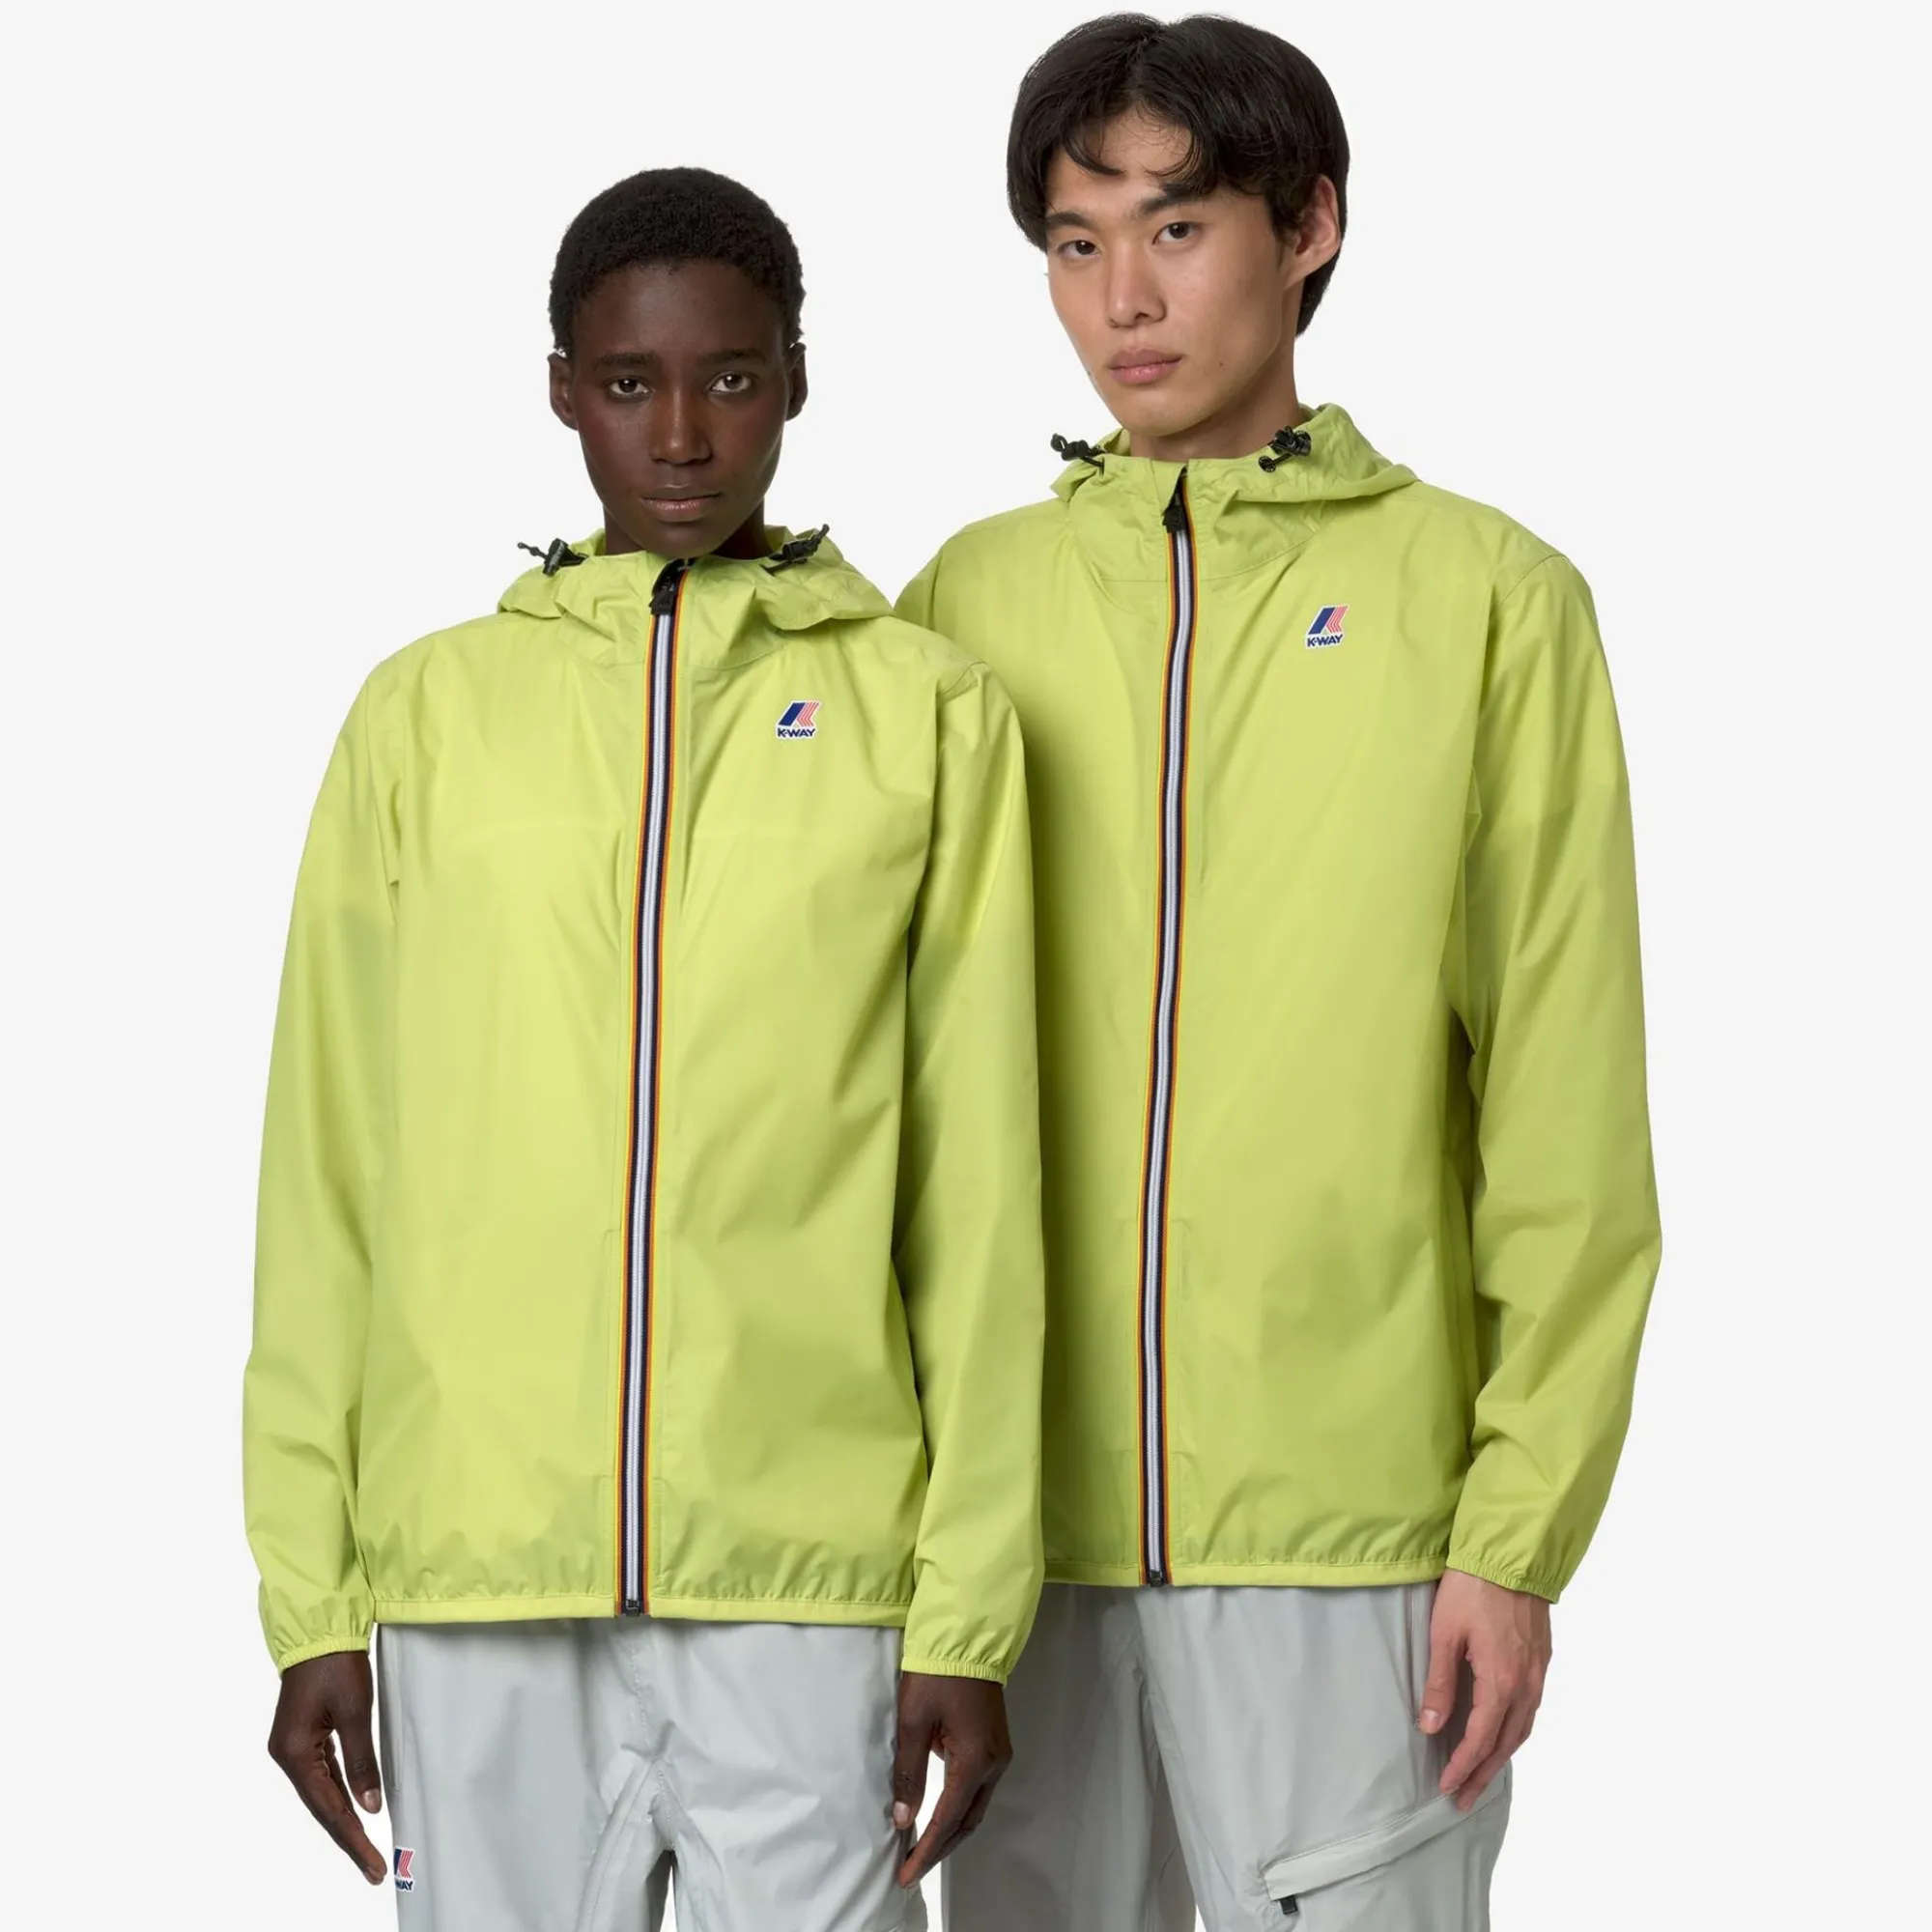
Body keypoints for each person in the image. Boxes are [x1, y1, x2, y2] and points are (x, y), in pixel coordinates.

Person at [897, 16, 1662, 1930]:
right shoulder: (958, 611)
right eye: (1074, 245)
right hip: (1012, 1561)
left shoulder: (1488, 602)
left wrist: (1513, 1535)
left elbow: (1563, 1112)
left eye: (1175, 229)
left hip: (1355, 1547)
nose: (1122, 301)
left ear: (1307, 226)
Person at [243, 166, 1044, 1932]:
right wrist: (313, 1599)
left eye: (732, 379)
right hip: (475, 1578)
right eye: (629, 384)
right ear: (562, 391)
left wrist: (968, 1614)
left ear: (798, 380)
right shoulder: (425, 716)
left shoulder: (925, 715)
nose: (682, 434)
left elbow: (981, 1196)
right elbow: (327, 1178)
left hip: (806, 1580)